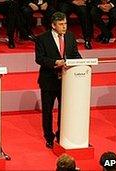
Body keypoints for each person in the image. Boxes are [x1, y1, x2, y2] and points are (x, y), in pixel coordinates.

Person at [35, 12, 82, 149]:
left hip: (67, 81)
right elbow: (39, 58)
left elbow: (75, 54)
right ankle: (49, 137)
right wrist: (55, 62)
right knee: (48, 111)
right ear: (53, 25)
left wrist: (81, 63)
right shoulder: (42, 38)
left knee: (65, 109)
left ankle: (61, 134)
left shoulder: (70, 36)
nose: (64, 27)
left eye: (65, 23)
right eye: (61, 24)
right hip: (48, 81)